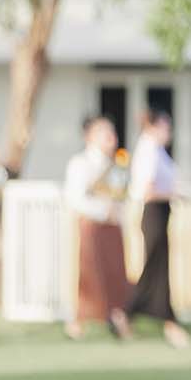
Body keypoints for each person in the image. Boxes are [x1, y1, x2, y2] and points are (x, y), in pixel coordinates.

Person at [124, 111, 191, 349]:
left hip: (162, 213)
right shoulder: (148, 151)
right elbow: (148, 190)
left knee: (159, 268)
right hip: (153, 212)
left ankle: (158, 319)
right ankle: (128, 312)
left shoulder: (158, 151)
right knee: (154, 267)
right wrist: (175, 194)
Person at [63, 117, 133, 341]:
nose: (110, 137)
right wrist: (103, 211)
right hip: (92, 225)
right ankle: (79, 320)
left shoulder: (116, 164)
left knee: (116, 272)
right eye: (104, 132)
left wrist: (117, 211)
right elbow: (74, 198)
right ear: (90, 136)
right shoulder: (80, 163)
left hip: (113, 226)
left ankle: (117, 316)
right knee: (89, 272)